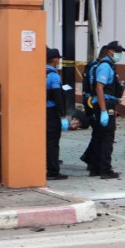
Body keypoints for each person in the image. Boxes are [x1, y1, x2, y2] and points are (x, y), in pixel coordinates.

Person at [87, 41, 125, 179]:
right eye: (118, 52)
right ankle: (105, 169)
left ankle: (95, 168)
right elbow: (99, 88)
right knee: (107, 137)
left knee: (99, 136)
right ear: (110, 52)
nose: (120, 55)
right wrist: (104, 110)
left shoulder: (108, 65)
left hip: (106, 103)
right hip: (105, 104)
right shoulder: (105, 66)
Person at [46, 48, 69, 180]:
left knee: (45, 141)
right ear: (54, 59)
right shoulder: (54, 76)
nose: (59, 61)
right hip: (52, 112)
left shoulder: (40, 72)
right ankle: (53, 171)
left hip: (41, 111)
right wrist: (62, 115)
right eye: (58, 58)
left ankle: (46, 166)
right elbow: (57, 97)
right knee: (53, 142)